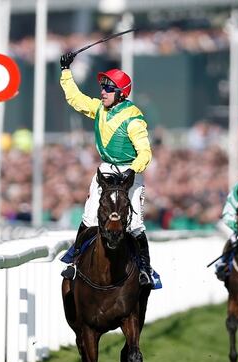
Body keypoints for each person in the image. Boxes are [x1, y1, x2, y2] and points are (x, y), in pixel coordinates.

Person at [57, 50, 154, 286]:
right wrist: (66, 71)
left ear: (121, 93)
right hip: (106, 170)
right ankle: (75, 262)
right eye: (103, 87)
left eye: (109, 88)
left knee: (135, 225)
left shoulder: (133, 118)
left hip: (130, 173)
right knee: (89, 217)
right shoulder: (100, 108)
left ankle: (145, 270)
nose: (103, 92)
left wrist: (133, 170)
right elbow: (75, 99)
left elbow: (145, 153)